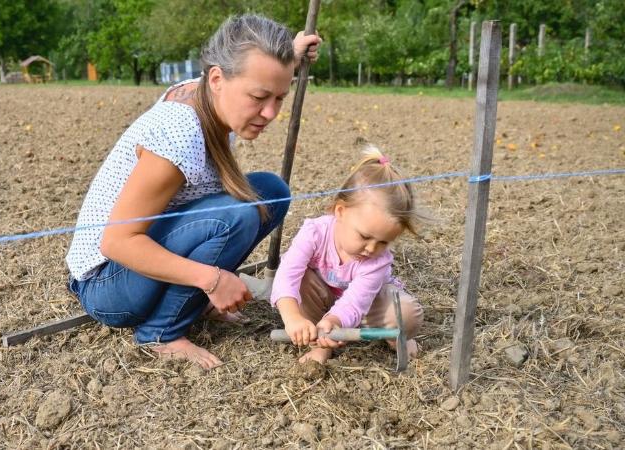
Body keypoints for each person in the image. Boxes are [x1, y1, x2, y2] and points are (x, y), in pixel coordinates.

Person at [65, 14, 320, 369]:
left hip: (139, 261)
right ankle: (161, 332)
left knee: (271, 192)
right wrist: (212, 280)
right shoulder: (180, 132)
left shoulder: (209, 92)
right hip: (106, 283)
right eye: (260, 96)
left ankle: (189, 303)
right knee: (236, 215)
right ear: (217, 78)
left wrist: (291, 54)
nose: (271, 112)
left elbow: (253, 69)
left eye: (280, 97)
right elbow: (116, 242)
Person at [270, 146, 425, 364]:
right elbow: (286, 275)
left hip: (365, 307)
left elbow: (355, 302)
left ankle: (396, 337)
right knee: (301, 280)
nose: (371, 249)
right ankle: (319, 343)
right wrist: (292, 317)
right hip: (320, 299)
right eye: (364, 236)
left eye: (383, 242)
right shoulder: (314, 233)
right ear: (340, 211)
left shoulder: (378, 261)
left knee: (406, 314)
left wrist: (335, 319)